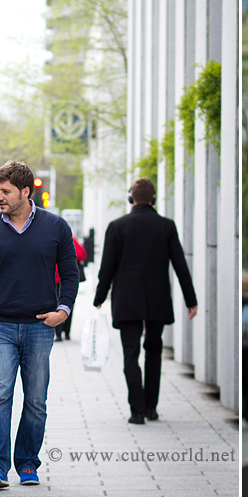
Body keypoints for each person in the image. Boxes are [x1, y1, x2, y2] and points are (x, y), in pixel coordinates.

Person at [0, 161, 79, 489]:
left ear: (26, 192)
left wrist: (63, 311)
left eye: (5, 191)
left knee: (36, 400)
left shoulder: (56, 227)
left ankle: (27, 463)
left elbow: (70, 274)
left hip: (41, 327)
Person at [93, 177, 198, 425]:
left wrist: (99, 298)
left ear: (131, 198)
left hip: (127, 299)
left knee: (131, 353)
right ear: (153, 199)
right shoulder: (167, 226)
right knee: (154, 350)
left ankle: (137, 411)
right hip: (157, 297)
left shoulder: (117, 226)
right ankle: (151, 407)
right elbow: (180, 265)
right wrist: (190, 299)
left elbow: (106, 267)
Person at [55, 235, 87, 341]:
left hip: (62, 278)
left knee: (62, 304)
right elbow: (82, 254)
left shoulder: (69, 238)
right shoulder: (70, 238)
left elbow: (82, 254)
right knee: (66, 304)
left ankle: (62, 332)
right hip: (57, 278)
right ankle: (63, 332)